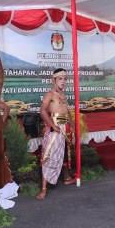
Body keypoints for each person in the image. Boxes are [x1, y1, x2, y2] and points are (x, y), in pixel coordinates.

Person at [36, 68, 75, 201]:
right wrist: (53, 126)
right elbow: (42, 111)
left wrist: (73, 125)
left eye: (65, 79)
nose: (63, 81)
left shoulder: (63, 95)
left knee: (63, 154)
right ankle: (43, 189)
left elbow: (66, 112)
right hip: (55, 129)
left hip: (64, 128)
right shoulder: (50, 95)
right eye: (60, 79)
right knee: (48, 156)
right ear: (54, 80)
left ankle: (67, 178)